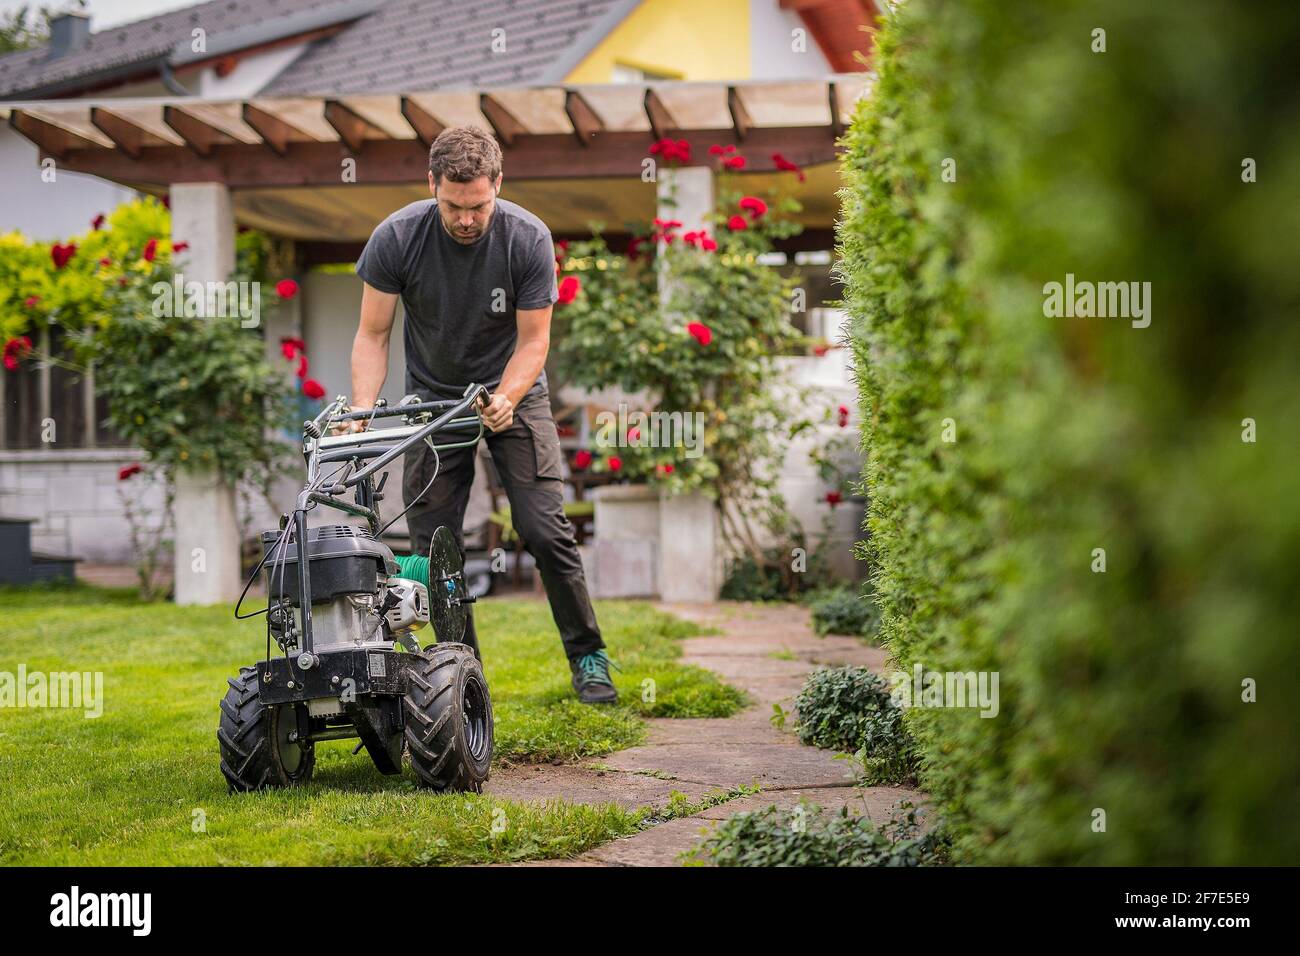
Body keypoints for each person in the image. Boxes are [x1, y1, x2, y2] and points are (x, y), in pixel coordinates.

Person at [345, 125, 616, 704]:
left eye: (478, 206)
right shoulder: (397, 237)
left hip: (513, 394)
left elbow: (535, 342)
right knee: (433, 547)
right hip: (433, 402)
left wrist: (508, 399)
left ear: (498, 184)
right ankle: (461, 677)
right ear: (432, 185)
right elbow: (372, 335)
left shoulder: (527, 238)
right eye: (453, 206)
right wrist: (364, 410)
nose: (466, 219)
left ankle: (589, 657)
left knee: (545, 530)